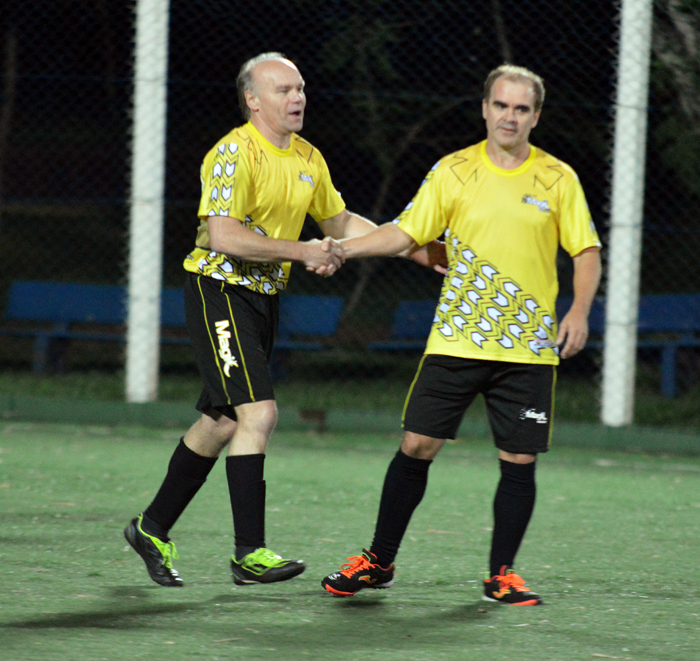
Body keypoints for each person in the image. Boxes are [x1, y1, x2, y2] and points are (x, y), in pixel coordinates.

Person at [123, 52, 443, 588]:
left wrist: (409, 247)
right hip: (219, 289)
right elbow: (223, 236)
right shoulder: (232, 154)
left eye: (300, 89)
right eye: (283, 90)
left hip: (262, 299)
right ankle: (249, 553)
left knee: (222, 420)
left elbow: (338, 221)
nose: (297, 98)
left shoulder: (308, 157)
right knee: (260, 413)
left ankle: (151, 527)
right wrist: (303, 251)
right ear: (253, 100)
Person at [321, 64, 602, 605]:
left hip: (528, 347)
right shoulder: (453, 171)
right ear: (485, 109)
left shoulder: (558, 178)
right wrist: (343, 248)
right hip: (456, 340)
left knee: (519, 461)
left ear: (535, 116)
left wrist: (580, 310)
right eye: (501, 105)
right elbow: (407, 233)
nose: (510, 116)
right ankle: (378, 562)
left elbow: (585, 251)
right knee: (416, 444)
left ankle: (502, 575)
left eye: (522, 108)